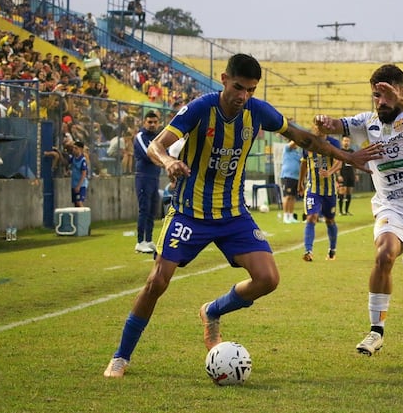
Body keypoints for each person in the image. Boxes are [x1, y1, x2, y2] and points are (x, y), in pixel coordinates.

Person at [102, 53, 380, 378]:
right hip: (190, 213)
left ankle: (212, 311)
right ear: (223, 79)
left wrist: (346, 155)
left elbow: (303, 137)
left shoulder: (257, 111)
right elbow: (156, 146)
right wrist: (169, 163)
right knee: (157, 282)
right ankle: (122, 356)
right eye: (238, 87)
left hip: (233, 214)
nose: (243, 96)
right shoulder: (199, 109)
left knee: (268, 279)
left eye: (250, 90)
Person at [313, 64, 403, 356]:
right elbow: (334, 125)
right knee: (384, 254)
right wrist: (323, 122)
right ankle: (376, 331)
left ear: (402, 92)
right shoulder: (367, 122)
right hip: (390, 205)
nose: (381, 102)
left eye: (387, 95)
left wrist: (398, 100)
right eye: (376, 96)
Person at [298, 126, 343, 261]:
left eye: (322, 127)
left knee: (330, 220)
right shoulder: (307, 143)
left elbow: (339, 161)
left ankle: (332, 250)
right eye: (317, 127)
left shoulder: (333, 143)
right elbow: (304, 163)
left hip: (329, 190)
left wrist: (329, 172)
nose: (319, 130)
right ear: (313, 128)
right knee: (311, 217)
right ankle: (308, 251)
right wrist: (300, 182)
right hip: (313, 189)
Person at [133, 111, 162, 254]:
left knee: (152, 210)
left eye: (155, 122)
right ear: (144, 122)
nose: (152, 125)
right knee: (144, 208)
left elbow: (165, 151)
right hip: (143, 177)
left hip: (155, 177)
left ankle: (149, 240)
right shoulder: (140, 137)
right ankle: (140, 241)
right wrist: (165, 161)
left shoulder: (157, 137)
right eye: (149, 122)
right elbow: (149, 154)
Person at [279, 139, 301, 224]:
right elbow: (294, 141)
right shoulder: (287, 149)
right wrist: (297, 137)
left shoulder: (298, 153)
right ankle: (285, 216)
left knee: (293, 197)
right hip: (287, 176)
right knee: (287, 197)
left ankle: (291, 216)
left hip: (296, 177)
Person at [337, 136, 357, 215]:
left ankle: (346, 210)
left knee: (349, 191)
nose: (346, 142)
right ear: (342, 142)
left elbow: (354, 163)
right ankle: (340, 211)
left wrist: (356, 174)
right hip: (343, 173)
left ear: (350, 142)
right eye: (345, 141)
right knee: (342, 191)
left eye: (347, 141)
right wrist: (338, 174)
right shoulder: (339, 151)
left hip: (350, 173)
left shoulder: (352, 151)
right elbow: (337, 163)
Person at [68, 141, 89, 207]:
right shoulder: (73, 158)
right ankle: (77, 217)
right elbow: (65, 162)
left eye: (76, 148)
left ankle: (84, 216)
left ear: (80, 149)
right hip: (74, 185)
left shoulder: (83, 160)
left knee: (79, 202)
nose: (74, 150)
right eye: (73, 148)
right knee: (76, 204)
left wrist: (78, 186)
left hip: (81, 185)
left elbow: (84, 174)